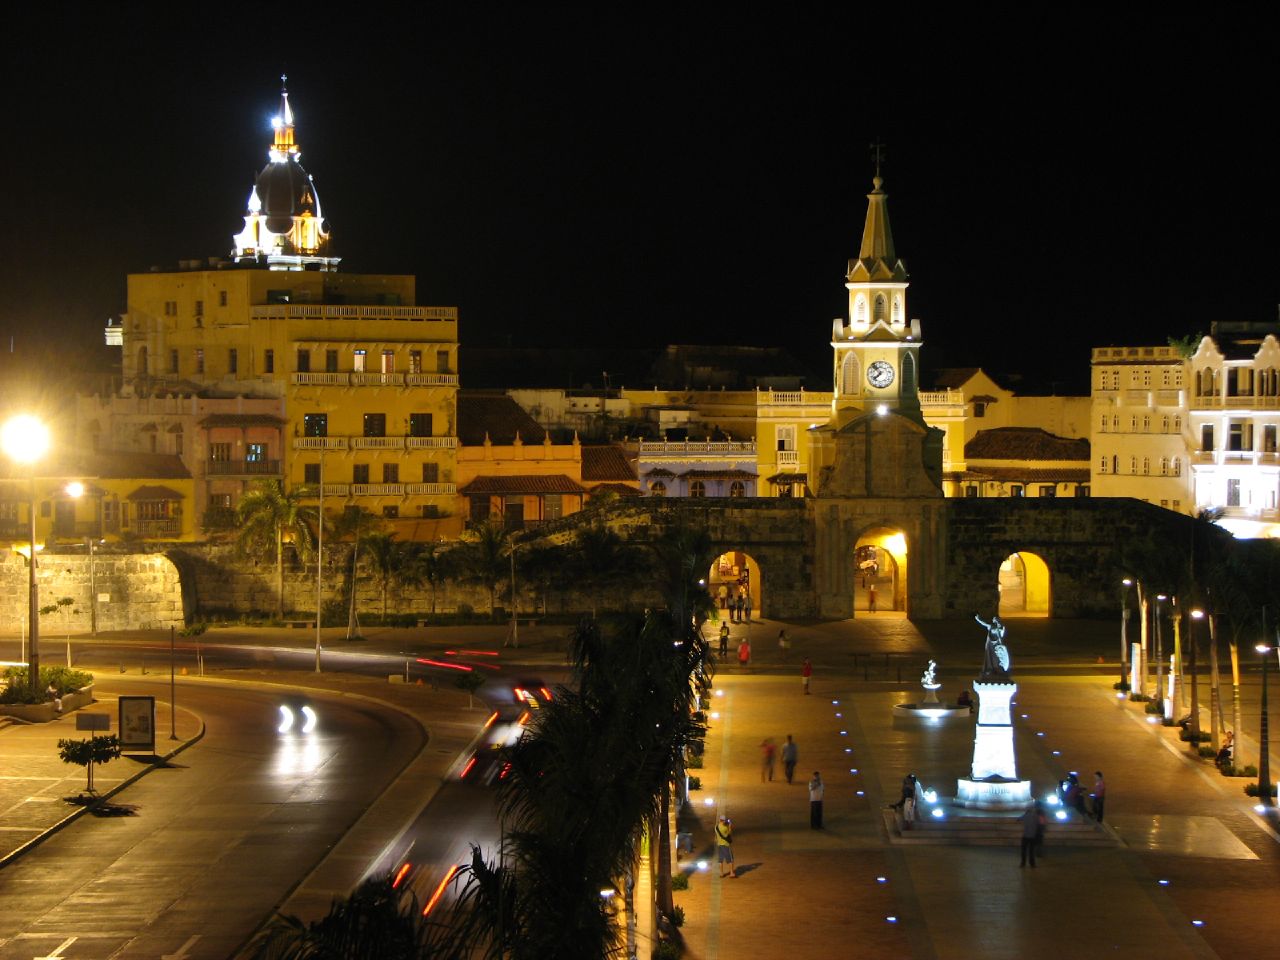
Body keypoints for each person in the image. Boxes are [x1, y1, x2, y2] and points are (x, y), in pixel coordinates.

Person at [1020, 801, 1045, 867]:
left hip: (1026, 835)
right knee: (1031, 851)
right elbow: (1041, 823)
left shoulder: (1025, 815)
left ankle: (1023, 863)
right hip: (1033, 835)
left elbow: (1019, 819)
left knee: (1024, 850)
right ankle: (1032, 863)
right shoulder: (1036, 816)